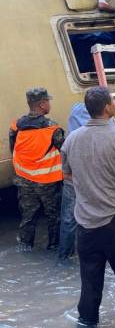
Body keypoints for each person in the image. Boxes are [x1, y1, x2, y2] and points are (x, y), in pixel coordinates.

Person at [61, 87, 115, 328]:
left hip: (86, 223)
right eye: (113, 101)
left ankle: (87, 323)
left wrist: (89, 187)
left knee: (89, 279)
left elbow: (66, 175)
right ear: (108, 107)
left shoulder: (72, 139)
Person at [9, 88, 64, 251]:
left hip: (24, 179)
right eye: (48, 101)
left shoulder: (16, 126)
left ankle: (25, 246)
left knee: (28, 217)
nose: (49, 104)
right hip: (48, 181)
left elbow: (14, 149)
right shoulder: (52, 128)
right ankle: (54, 247)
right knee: (54, 217)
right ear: (42, 104)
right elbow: (65, 151)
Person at [58, 103, 90, 263]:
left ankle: (64, 257)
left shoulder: (70, 139)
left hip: (74, 178)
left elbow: (65, 170)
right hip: (98, 180)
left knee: (69, 218)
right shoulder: (111, 133)